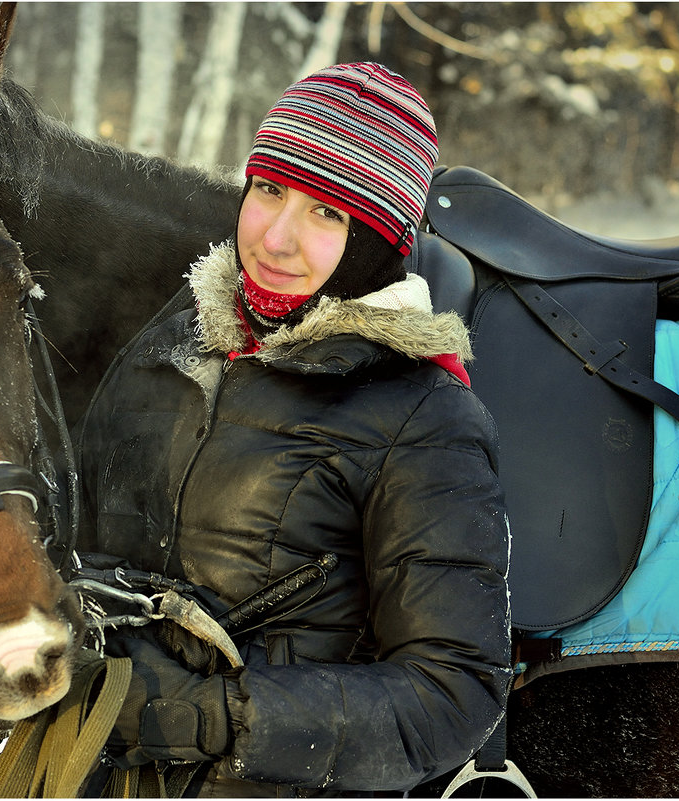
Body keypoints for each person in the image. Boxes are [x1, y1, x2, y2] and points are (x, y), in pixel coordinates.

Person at [77, 62, 511, 796]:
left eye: (326, 213)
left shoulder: (423, 413)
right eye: (269, 190)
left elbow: (452, 693)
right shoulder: (168, 344)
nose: (275, 239)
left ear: (375, 239)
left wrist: (210, 717)